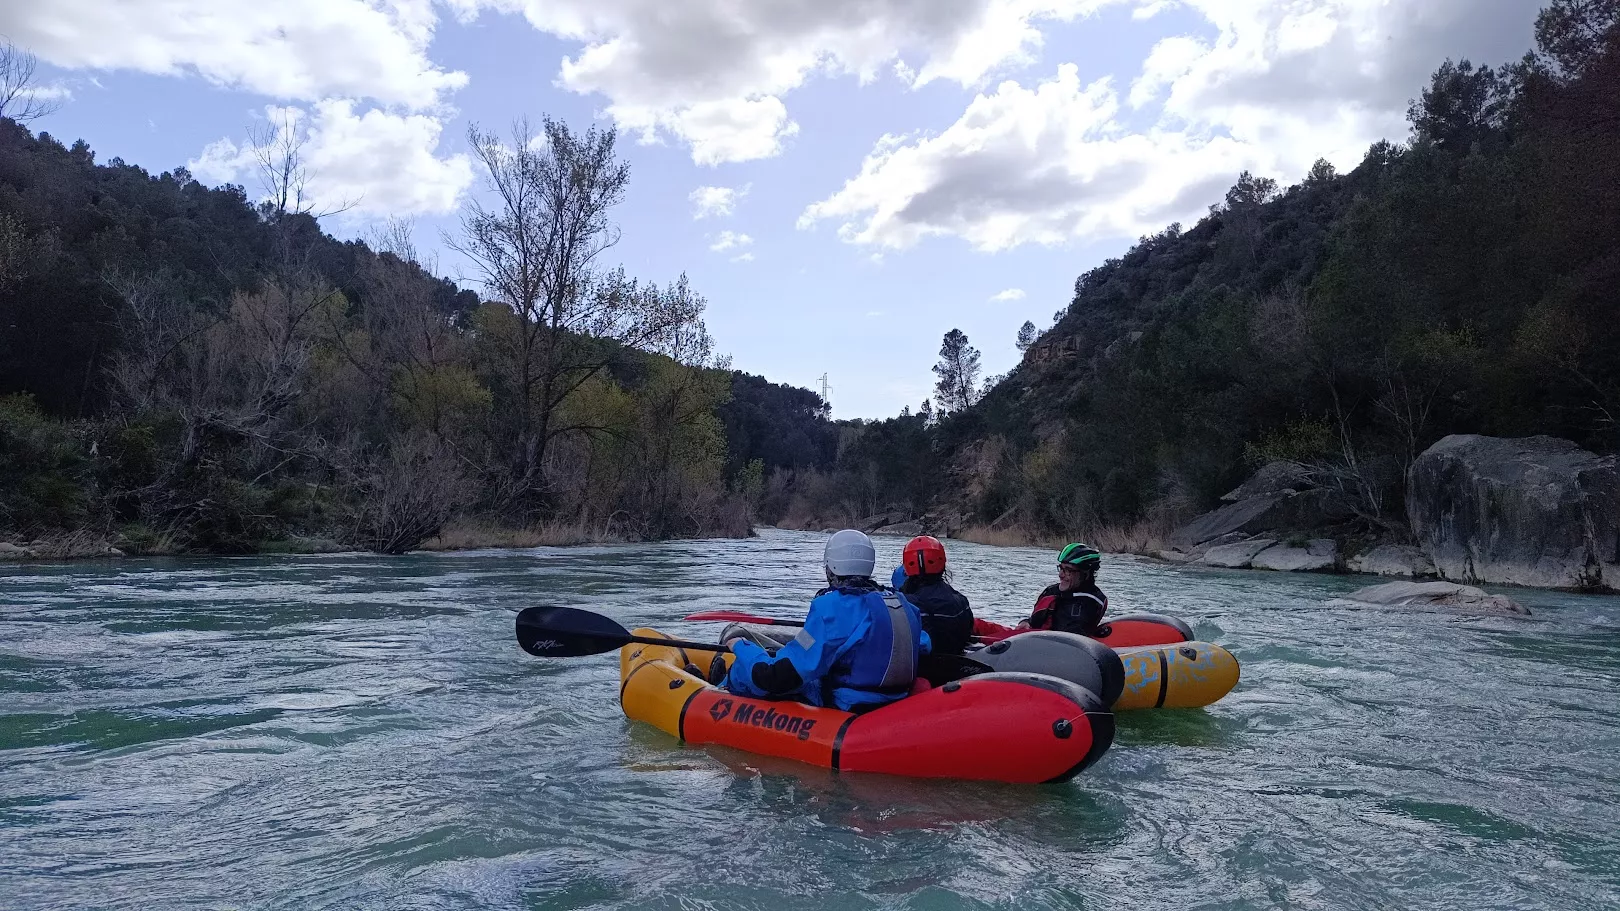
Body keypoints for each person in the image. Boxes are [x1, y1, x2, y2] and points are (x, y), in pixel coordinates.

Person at [724, 529, 930, 712]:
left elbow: (776, 676)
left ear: (830, 566)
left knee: (744, 672)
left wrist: (741, 646)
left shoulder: (831, 608)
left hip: (849, 706)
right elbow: (923, 643)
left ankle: (719, 690)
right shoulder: (904, 605)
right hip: (895, 701)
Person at [889, 535, 974, 654]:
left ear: (907, 567)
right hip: (959, 663)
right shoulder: (962, 601)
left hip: (927, 668)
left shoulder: (905, 604)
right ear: (942, 563)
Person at [1019, 543, 1108, 636]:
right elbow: (1034, 622)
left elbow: (1071, 637)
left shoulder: (1092, 602)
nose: (1060, 575)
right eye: (1061, 568)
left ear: (1085, 573)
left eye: (1068, 570)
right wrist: (1026, 622)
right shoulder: (1051, 591)